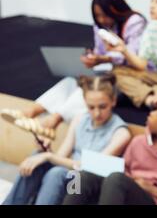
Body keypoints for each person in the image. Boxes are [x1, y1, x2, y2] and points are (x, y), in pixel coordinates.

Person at [21, 0, 148, 129]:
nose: (101, 19)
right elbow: (99, 51)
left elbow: (133, 55)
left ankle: (55, 119)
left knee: (92, 87)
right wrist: (91, 58)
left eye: (105, 15)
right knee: (72, 80)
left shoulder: (135, 22)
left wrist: (104, 59)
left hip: (130, 75)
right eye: (98, 16)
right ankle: (33, 110)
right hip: (106, 69)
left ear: (116, 10)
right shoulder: (100, 26)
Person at [3, 74, 131, 205]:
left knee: (57, 173)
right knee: (37, 158)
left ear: (113, 101)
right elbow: (61, 156)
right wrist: (46, 151)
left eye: (102, 106)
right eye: (91, 107)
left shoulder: (121, 133)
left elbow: (88, 167)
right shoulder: (80, 119)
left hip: (86, 185)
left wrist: (49, 156)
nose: (97, 113)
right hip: (68, 175)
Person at [63, 97, 157, 205]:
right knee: (81, 176)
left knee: (116, 179)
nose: (151, 113)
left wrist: (153, 190)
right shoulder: (139, 142)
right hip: (122, 194)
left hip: (151, 200)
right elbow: (123, 172)